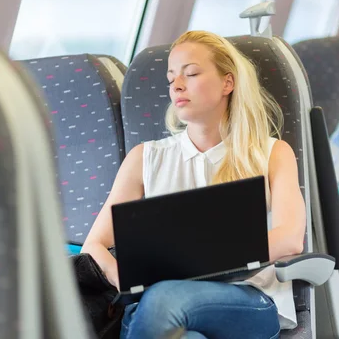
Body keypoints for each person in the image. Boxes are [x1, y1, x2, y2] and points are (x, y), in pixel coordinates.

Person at [81, 30, 307, 339]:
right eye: (171, 77)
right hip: (158, 305)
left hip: (246, 299)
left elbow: (290, 238)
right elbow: (93, 245)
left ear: (228, 83)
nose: (177, 85)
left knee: (165, 297)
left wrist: (197, 261)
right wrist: (119, 274)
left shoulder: (270, 153)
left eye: (191, 73)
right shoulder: (144, 158)